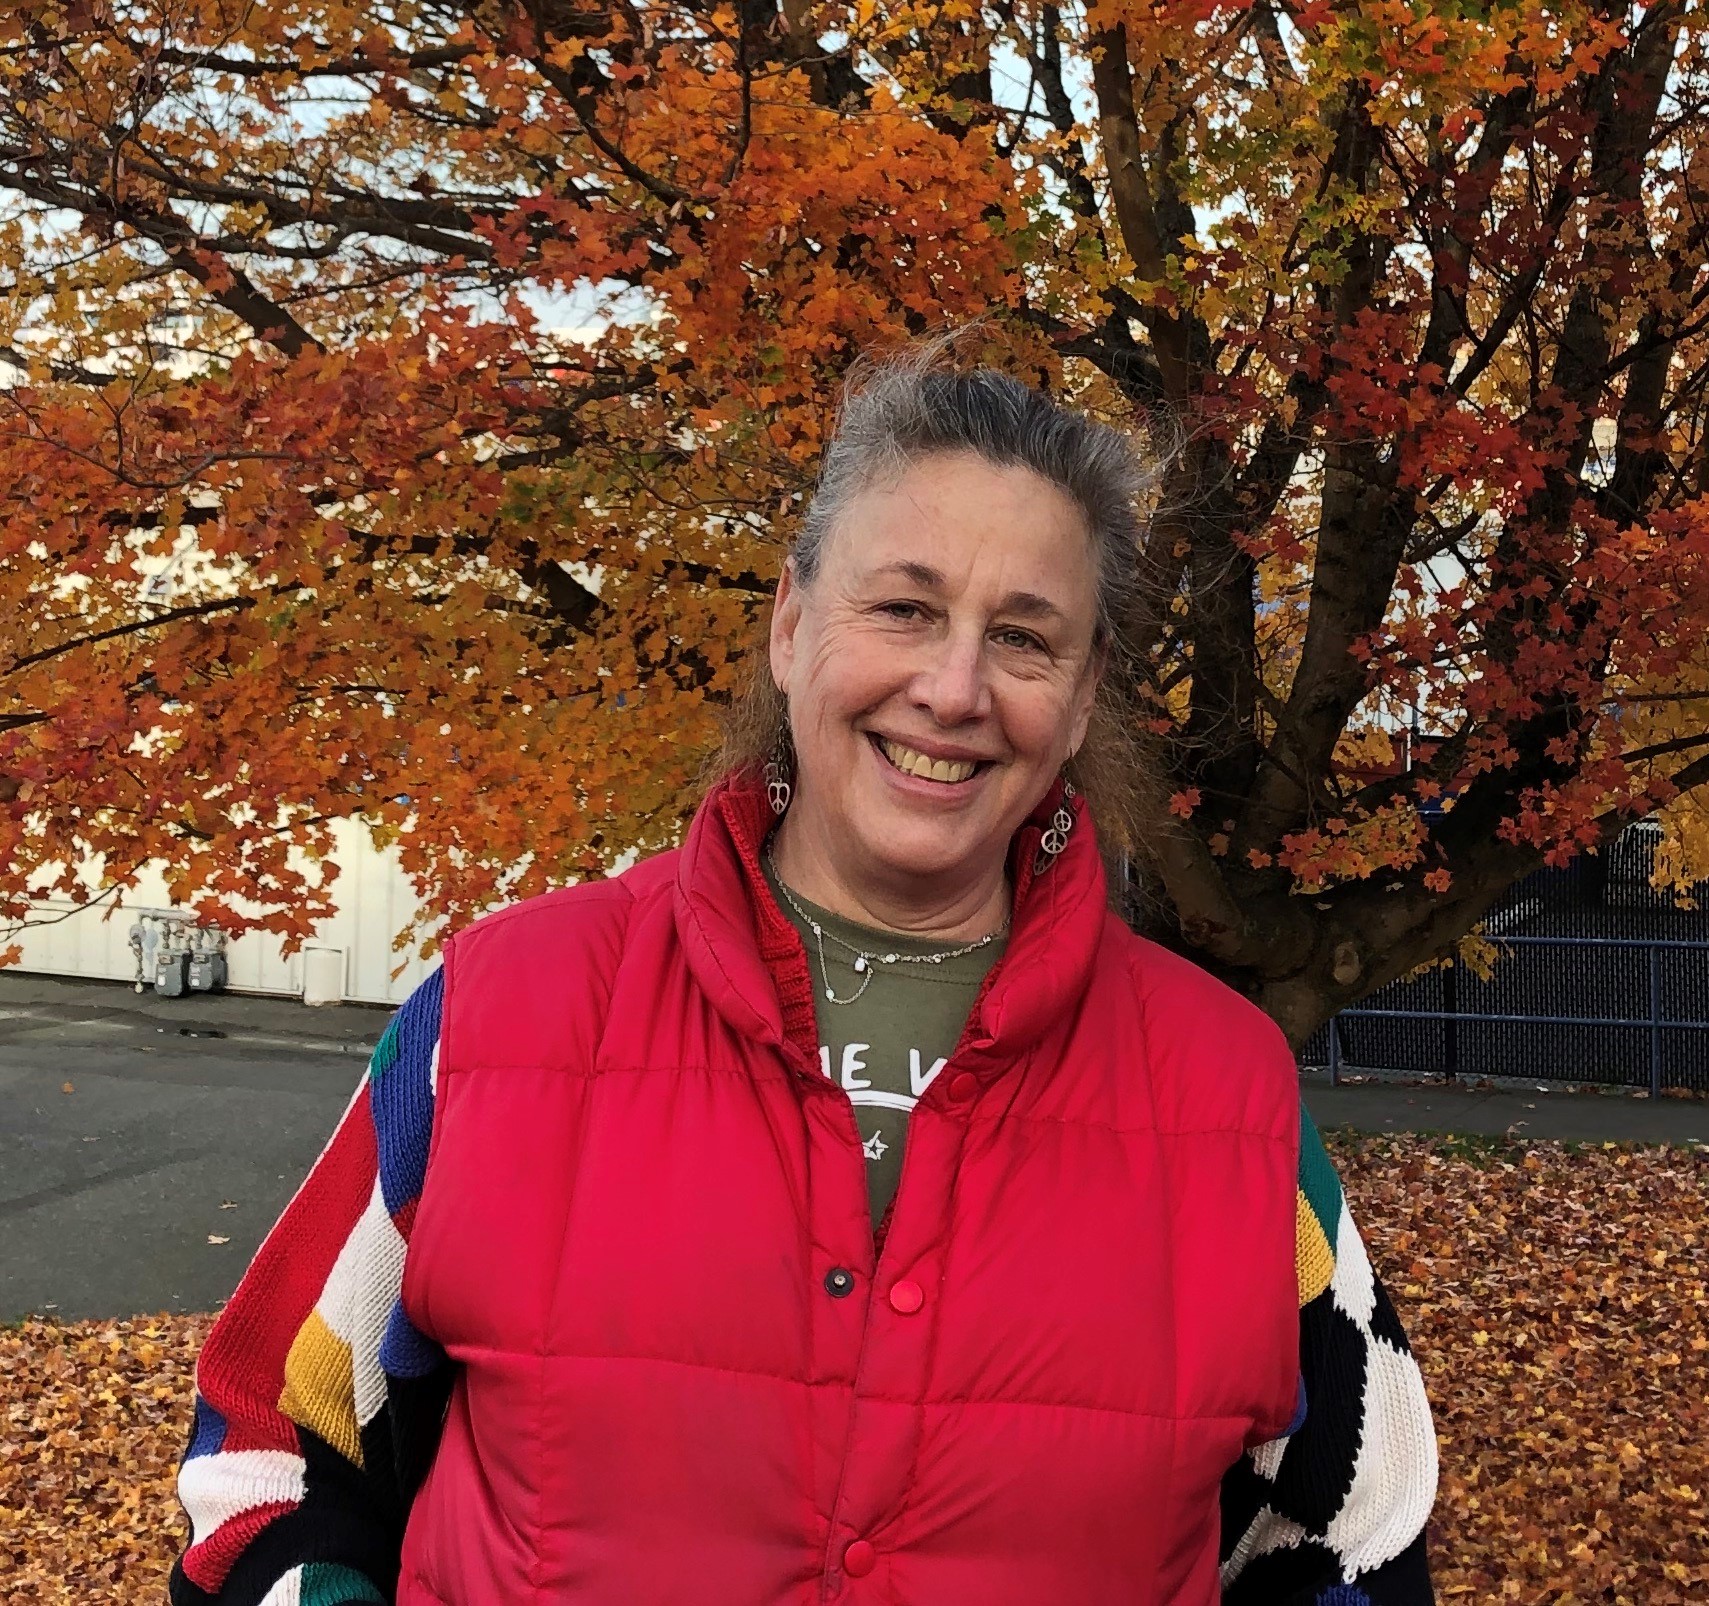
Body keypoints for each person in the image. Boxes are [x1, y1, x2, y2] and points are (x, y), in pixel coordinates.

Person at [169, 341, 1438, 1605]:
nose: (952, 689)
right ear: (789, 624)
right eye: (903, 609)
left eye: (1021, 637)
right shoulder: (498, 1017)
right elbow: (263, 1462)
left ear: (1082, 690)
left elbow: (1357, 1539)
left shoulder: (1225, 1095)